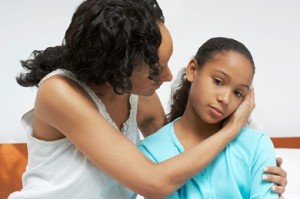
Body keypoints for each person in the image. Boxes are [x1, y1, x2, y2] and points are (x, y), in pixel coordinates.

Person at [8, 0, 286, 199]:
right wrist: (232, 130)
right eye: (155, 70)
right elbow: (155, 182)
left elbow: (175, 148)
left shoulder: (132, 92)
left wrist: (256, 167)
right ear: (117, 67)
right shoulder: (59, 93)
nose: (167, 76)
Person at [138, 37, 283, 198]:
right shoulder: (150, 151)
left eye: (238, 93)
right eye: (218, 81)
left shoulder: (256, 145)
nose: (225, 99)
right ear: (193, 70)